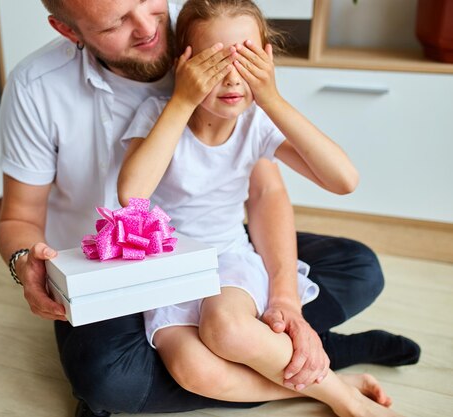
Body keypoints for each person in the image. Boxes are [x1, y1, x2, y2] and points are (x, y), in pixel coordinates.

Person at [0, 1, 420, 416]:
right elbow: (124, 196)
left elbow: (317, 185)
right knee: (128, 377)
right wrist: (25, 263)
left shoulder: (217, 39)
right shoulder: (49, 89)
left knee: (352, 271)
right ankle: (326, 375)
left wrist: (270, 96)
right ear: (70, 31)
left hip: (226, 254)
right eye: (115, 23)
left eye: (149, 2)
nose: (146, 27)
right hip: (141, 270)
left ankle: (295, 358)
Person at [116, 1, 404, 416]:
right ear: (186, 62)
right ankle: (334, 385)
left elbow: (344, 180)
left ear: (266, 58)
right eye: (215, 64)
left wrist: (270, 97)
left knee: (227, 328)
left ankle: (344, 403)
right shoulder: (158, 116)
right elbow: (133, 195)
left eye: (248, 60)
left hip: (228, 260)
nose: (233, 79)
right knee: (192, 369)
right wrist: (181, 99)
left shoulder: (255, 122)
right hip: (169, 272)